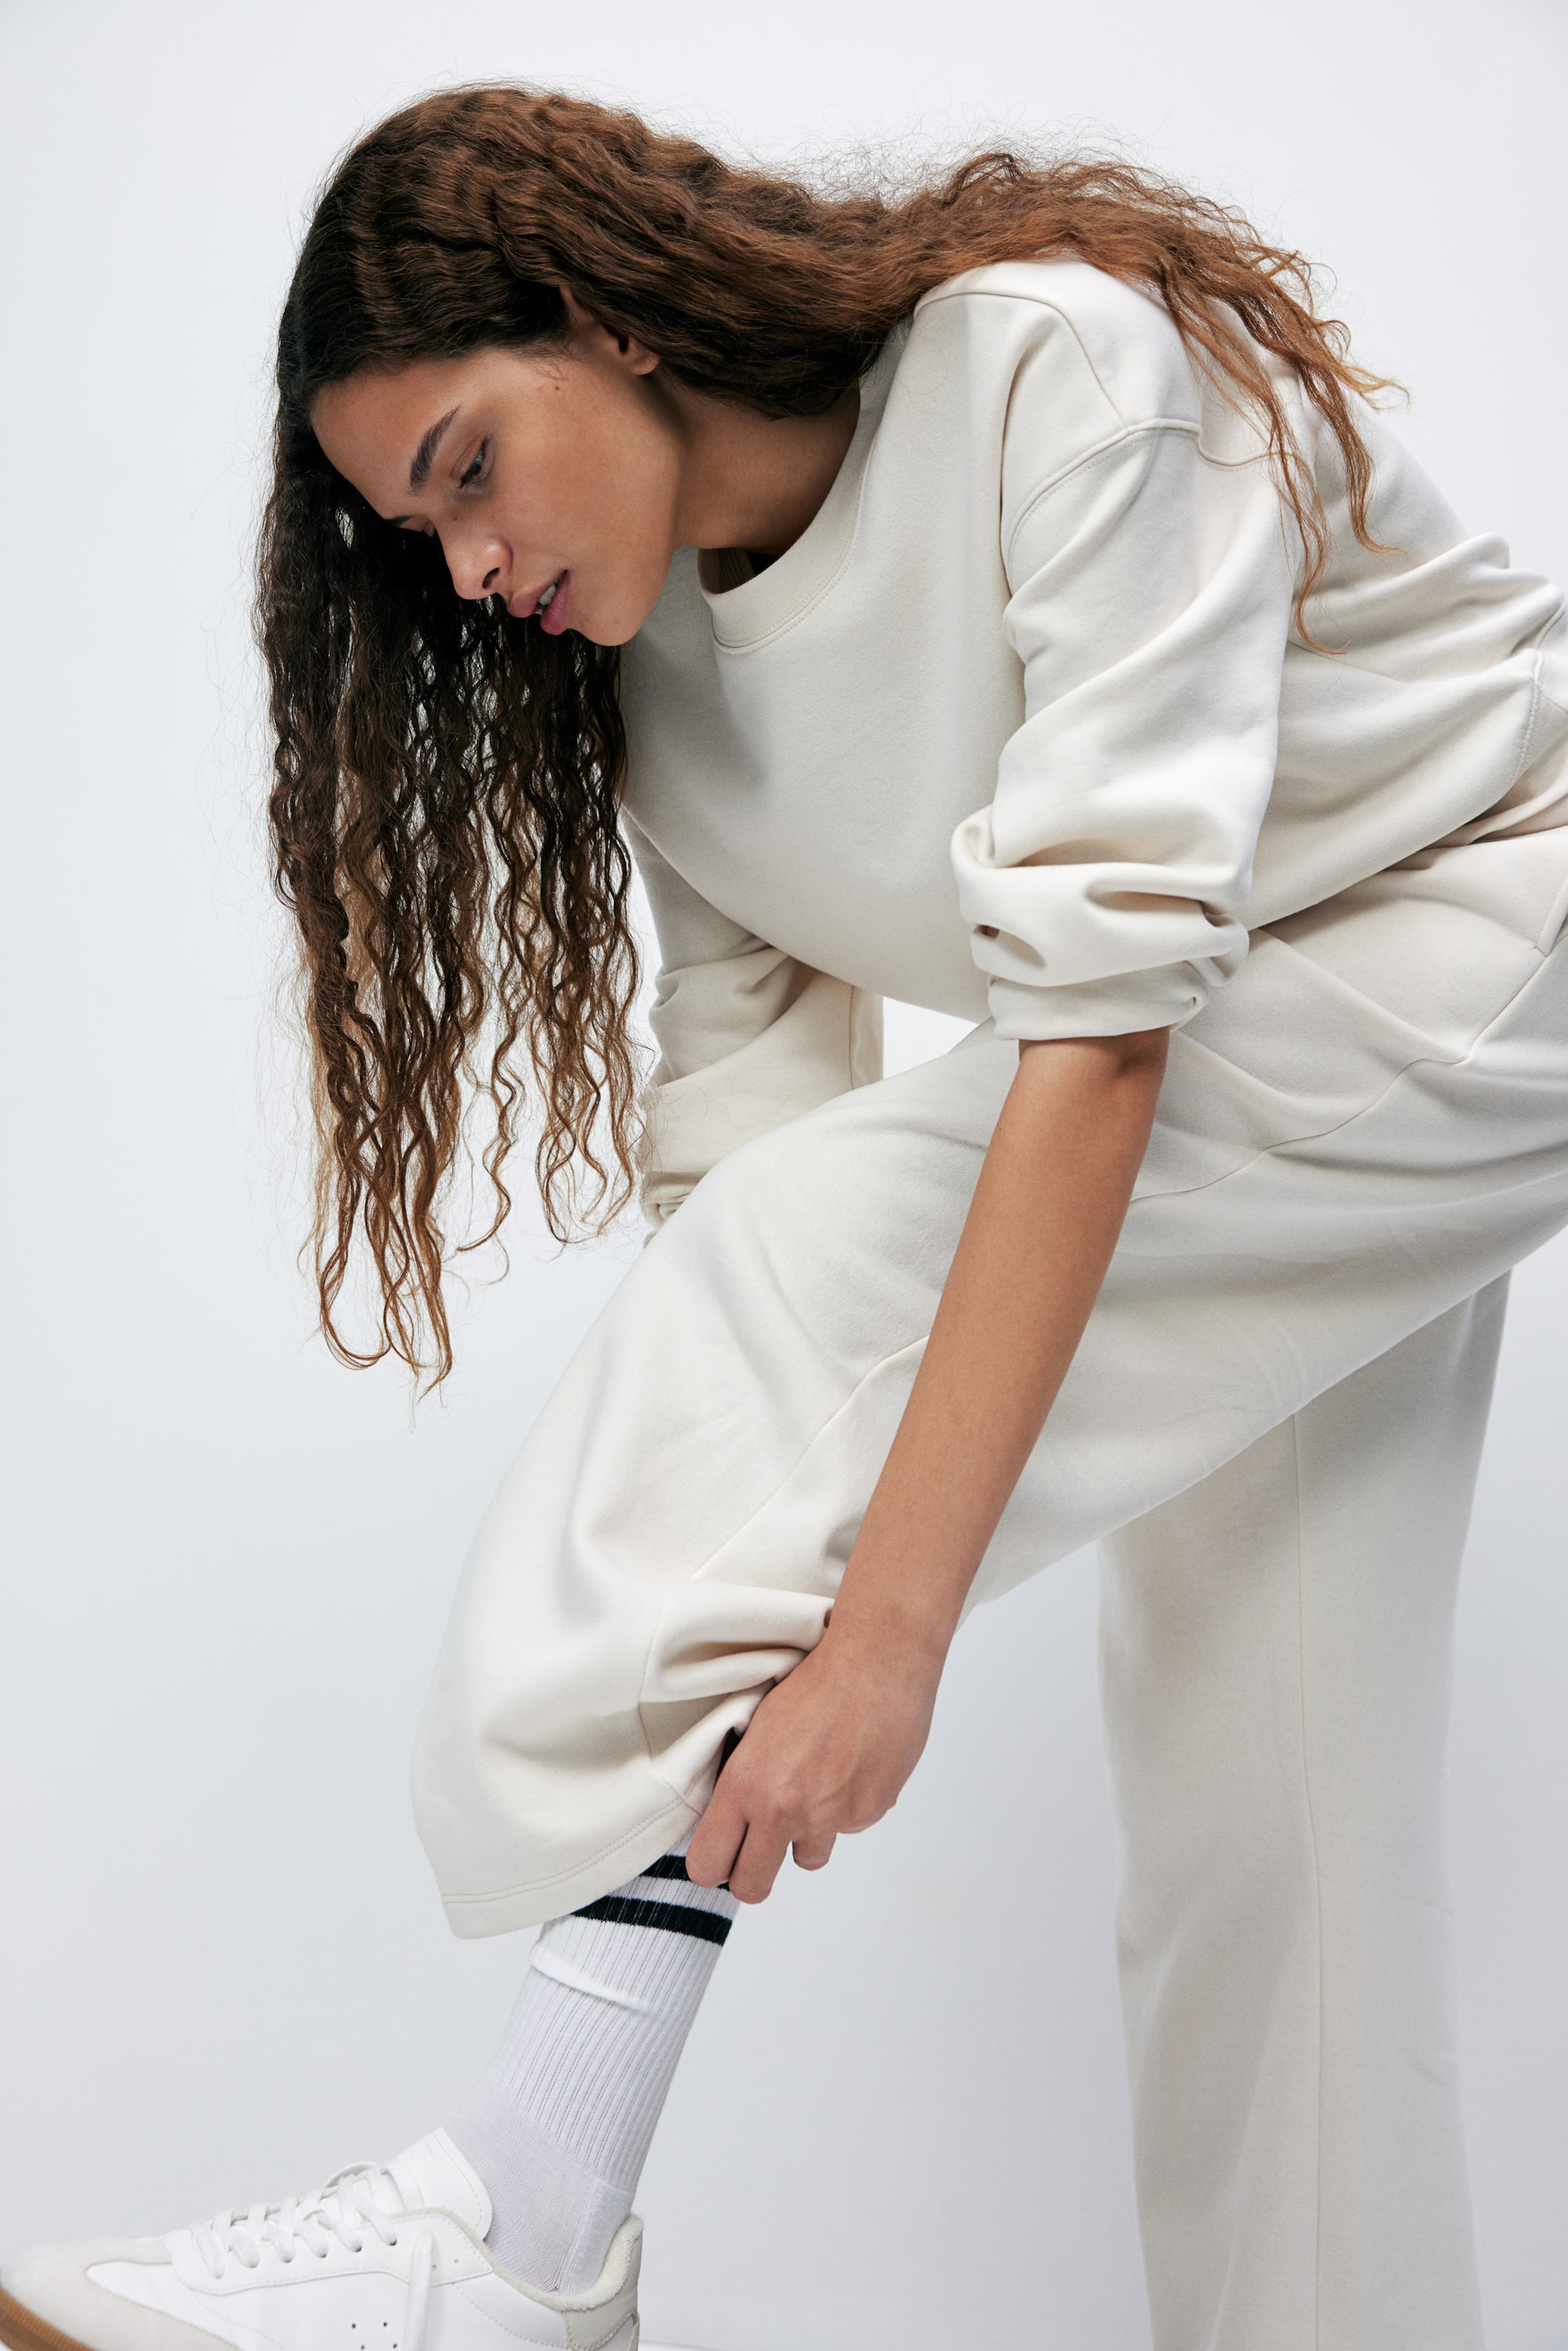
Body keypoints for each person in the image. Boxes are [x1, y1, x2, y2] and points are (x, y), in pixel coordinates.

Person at [4, 81, 1566, 2351]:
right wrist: (768, 1642)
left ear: (602, 314)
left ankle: (523, 2212)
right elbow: (754, 1157)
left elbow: (1089, 1052)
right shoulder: (657, 689)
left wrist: (884, 1640)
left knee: (795, 1289)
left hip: (1492, 918)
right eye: (420, 533)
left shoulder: (1052, 373)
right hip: (1261, 1043)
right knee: (1271, 1831)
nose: (469, 565)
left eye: (467, 465)